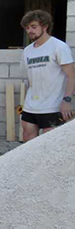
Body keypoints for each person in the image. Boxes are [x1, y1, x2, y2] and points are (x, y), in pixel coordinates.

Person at [19, 10, 75, 141]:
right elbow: (30, 79)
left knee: (50, 143)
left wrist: (67, 101)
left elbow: (71, 76)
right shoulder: (27, 51)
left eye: (34, 27)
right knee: (27, 139)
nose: (30, 31)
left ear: (45, 26)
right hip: (31, 106)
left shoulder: (59, 46)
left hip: (53, 105)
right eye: (27, 28)